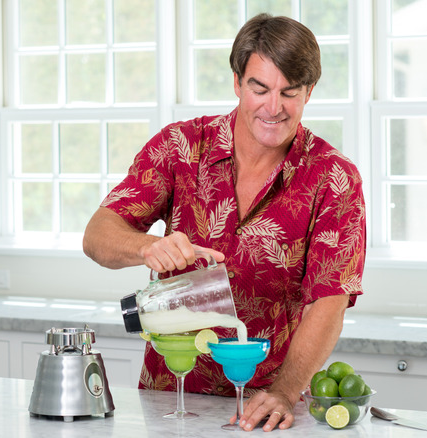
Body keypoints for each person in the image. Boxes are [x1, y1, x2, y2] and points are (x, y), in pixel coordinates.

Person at [83, 13, 365, 432]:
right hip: (169, 396)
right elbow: (97, 236)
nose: (274, 107)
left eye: (290, 92)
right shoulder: (180, 147)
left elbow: (328, 302)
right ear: (237, 83)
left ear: (309, 91)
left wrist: (285, 393)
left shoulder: (333, 178)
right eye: (260, 88)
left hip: (266, 406)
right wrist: (146, 247)